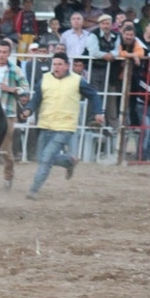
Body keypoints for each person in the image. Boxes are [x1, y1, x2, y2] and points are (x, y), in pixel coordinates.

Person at [21, 52, 104, 200]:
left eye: (59, 64)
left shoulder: (77, 81)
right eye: (54, 64)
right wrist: (28, 110)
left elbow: (94, 95)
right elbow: (36, 99)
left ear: (67, 66)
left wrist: (98, 112)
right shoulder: (45, 79)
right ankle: (69, 162)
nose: (56, 67)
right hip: (45, 124)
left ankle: (33, 190)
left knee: (46, 157)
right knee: (41, 157)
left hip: (65, 126)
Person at [0, 40, 29, 190]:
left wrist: (11, 89)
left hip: (8, 113)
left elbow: (25, 88)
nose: (1, 55)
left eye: (4, 52)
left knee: (5, 149)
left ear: (9, 54)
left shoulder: (15, 70)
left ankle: (8, 175)